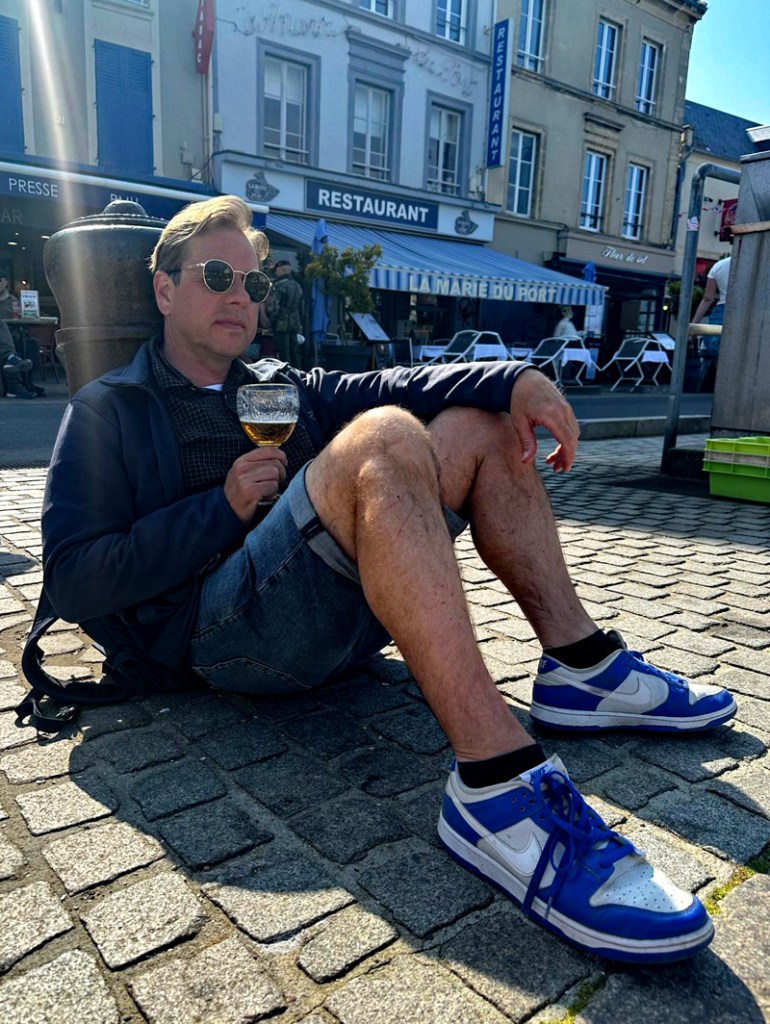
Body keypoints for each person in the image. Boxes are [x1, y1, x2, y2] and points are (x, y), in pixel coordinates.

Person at [38, 196, 735, 964]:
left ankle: (581, 668)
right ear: (165, 289)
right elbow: (72, 580)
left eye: (255, 284)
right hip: (217, 637)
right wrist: (219, 509)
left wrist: (515, 378)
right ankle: (498, 785)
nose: (240, 296)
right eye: (216, 276)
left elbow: (399, 382)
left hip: (330, 613)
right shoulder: (110, 407)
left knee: (478, 425)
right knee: (382, 439)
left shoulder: (278, 383)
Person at [692, 254, 731, 392]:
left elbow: (708, 298)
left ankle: (722, 385)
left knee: (718, 349)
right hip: (748, 309)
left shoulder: (719, 266)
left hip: (721, 310)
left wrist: (694, 325)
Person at [266, 258, 304, 367]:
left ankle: (287, 375)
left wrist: (270, 321)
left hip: (281, 325)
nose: (275, 273)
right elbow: (301, 308)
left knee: (284, 353)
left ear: (281, 270)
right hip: (294, 324)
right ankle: (298, 374)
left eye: (276, 270)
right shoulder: (297, 286)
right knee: (294, 352)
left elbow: (275, 307)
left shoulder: (278, 285)